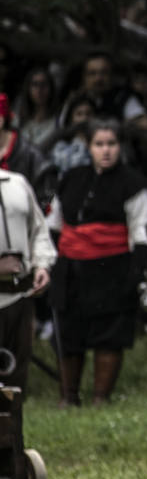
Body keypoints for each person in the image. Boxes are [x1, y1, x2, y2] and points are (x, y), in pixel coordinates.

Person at [48, 120, 147, 407]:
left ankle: (100, 398)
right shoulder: (71, 178)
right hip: (70, 269)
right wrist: (51, 265)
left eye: (111, 144)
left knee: (109, 337)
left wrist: (135, 275)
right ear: (89, 146)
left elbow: (142, 233)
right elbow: (54, 225)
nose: (105, 151)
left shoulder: (133, 184)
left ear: (120, 147)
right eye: (99, 144)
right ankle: (68, 397)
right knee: (68, 335)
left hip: (113, 271)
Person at [0, 169, 56, 423]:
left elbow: (39, 231)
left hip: (18, 297)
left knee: (16, 378)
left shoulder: (16, 183)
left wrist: (42, 264)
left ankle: (12, 450)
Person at [15, 66, 61, 153]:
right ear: (28, 89)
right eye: (35, 85)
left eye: (44, 84)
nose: (39, 90)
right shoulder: (18, 121)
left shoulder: (59, 121)